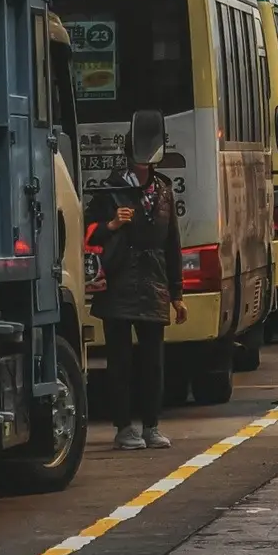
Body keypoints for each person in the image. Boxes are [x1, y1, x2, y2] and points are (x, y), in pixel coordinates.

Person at [90, 117, 187, 449]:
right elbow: (87, 232)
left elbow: (172, 244)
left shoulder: (163, 190)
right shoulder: (110, 189)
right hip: (119, 282)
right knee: (120, 362)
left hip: (154, 282)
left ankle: (151, 425)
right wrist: (113, 224)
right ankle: (123, 427)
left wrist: (177, 294)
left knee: (153, 362)